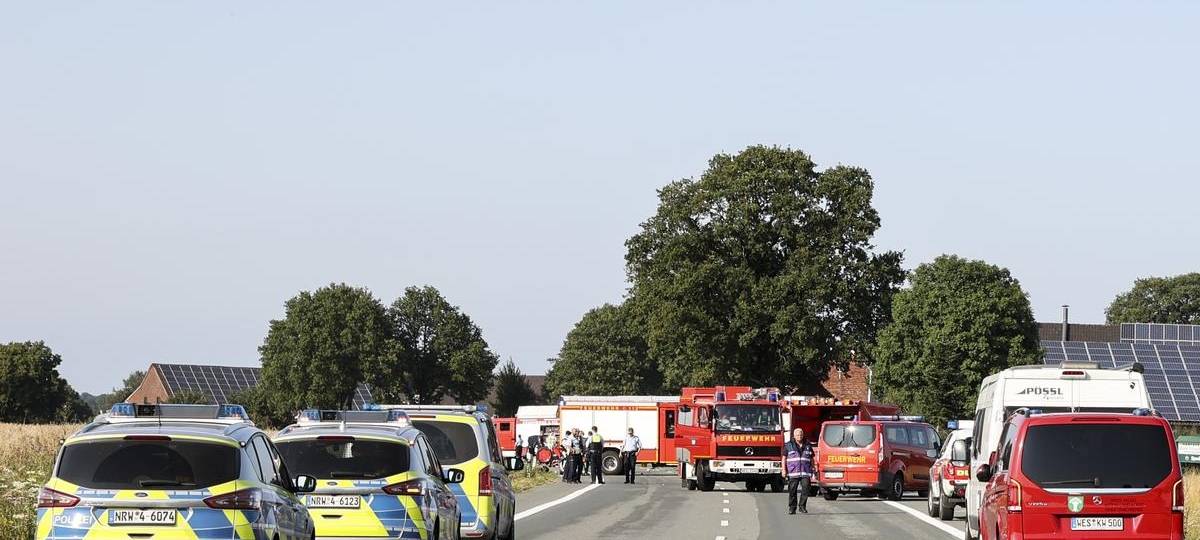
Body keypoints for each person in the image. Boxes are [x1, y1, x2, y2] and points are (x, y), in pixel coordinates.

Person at [784, 427, 815, 514]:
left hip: (805, 472)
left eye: (801, 435)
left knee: (806, 489)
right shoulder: (788, 445)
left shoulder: (808, 445)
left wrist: (813, 468)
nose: (800, 436)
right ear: (794, 436)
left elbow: (812, 458)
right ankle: (792, 508)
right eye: (798, 435)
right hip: (793, 472)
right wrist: (784, 470)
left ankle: (802, 506)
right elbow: (784, 458)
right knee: (792, 490)